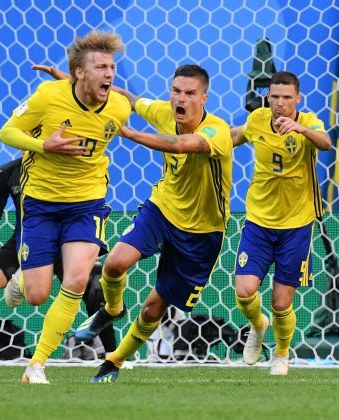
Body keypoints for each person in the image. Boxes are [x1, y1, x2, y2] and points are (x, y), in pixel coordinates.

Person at [34, 63, 233, 383]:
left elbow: (182, 144)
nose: (181, 98)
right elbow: (128, 97)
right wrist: (75, 82)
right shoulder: (164, 111)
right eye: (176, 91)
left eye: (190, 93)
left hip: (202, 231)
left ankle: (114, 361)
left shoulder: (216, 130)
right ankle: (112, 310)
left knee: (153, 309)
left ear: (204, 98)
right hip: (162, 209)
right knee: (114, 264)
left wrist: (129, 134)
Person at [0, 30, 132, 384]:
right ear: (80, 72)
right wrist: (44, 145)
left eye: (112, 67)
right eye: (101, 67)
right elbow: (7, 132)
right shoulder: (48, 96)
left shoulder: (119, 107)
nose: (109, 74)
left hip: (87, 204)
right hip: (41, 204)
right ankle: (22, 277)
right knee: (37, 295)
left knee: (76, 279)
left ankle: (37, 365)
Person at [0, 157, 116, 369]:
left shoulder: (69, 169)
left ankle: (112, 355)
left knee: (94, 286)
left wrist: (93, 257)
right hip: (23, 242)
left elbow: (88, 212)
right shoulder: (6, 173)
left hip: (65, 245)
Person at [230, 71, 331, 376]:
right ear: (268, 97)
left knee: (281, 302)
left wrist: (301, 129)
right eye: (274, 96)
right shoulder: (258, 120)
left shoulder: (309, 122)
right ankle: (258, 325)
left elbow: (325, 142)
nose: (280, 103)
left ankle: (282, 354)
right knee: (245, 291)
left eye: (287, 97)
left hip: (296, 225)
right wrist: (201, 142)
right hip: (259, 221)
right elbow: (233, 137)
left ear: (297, 98)